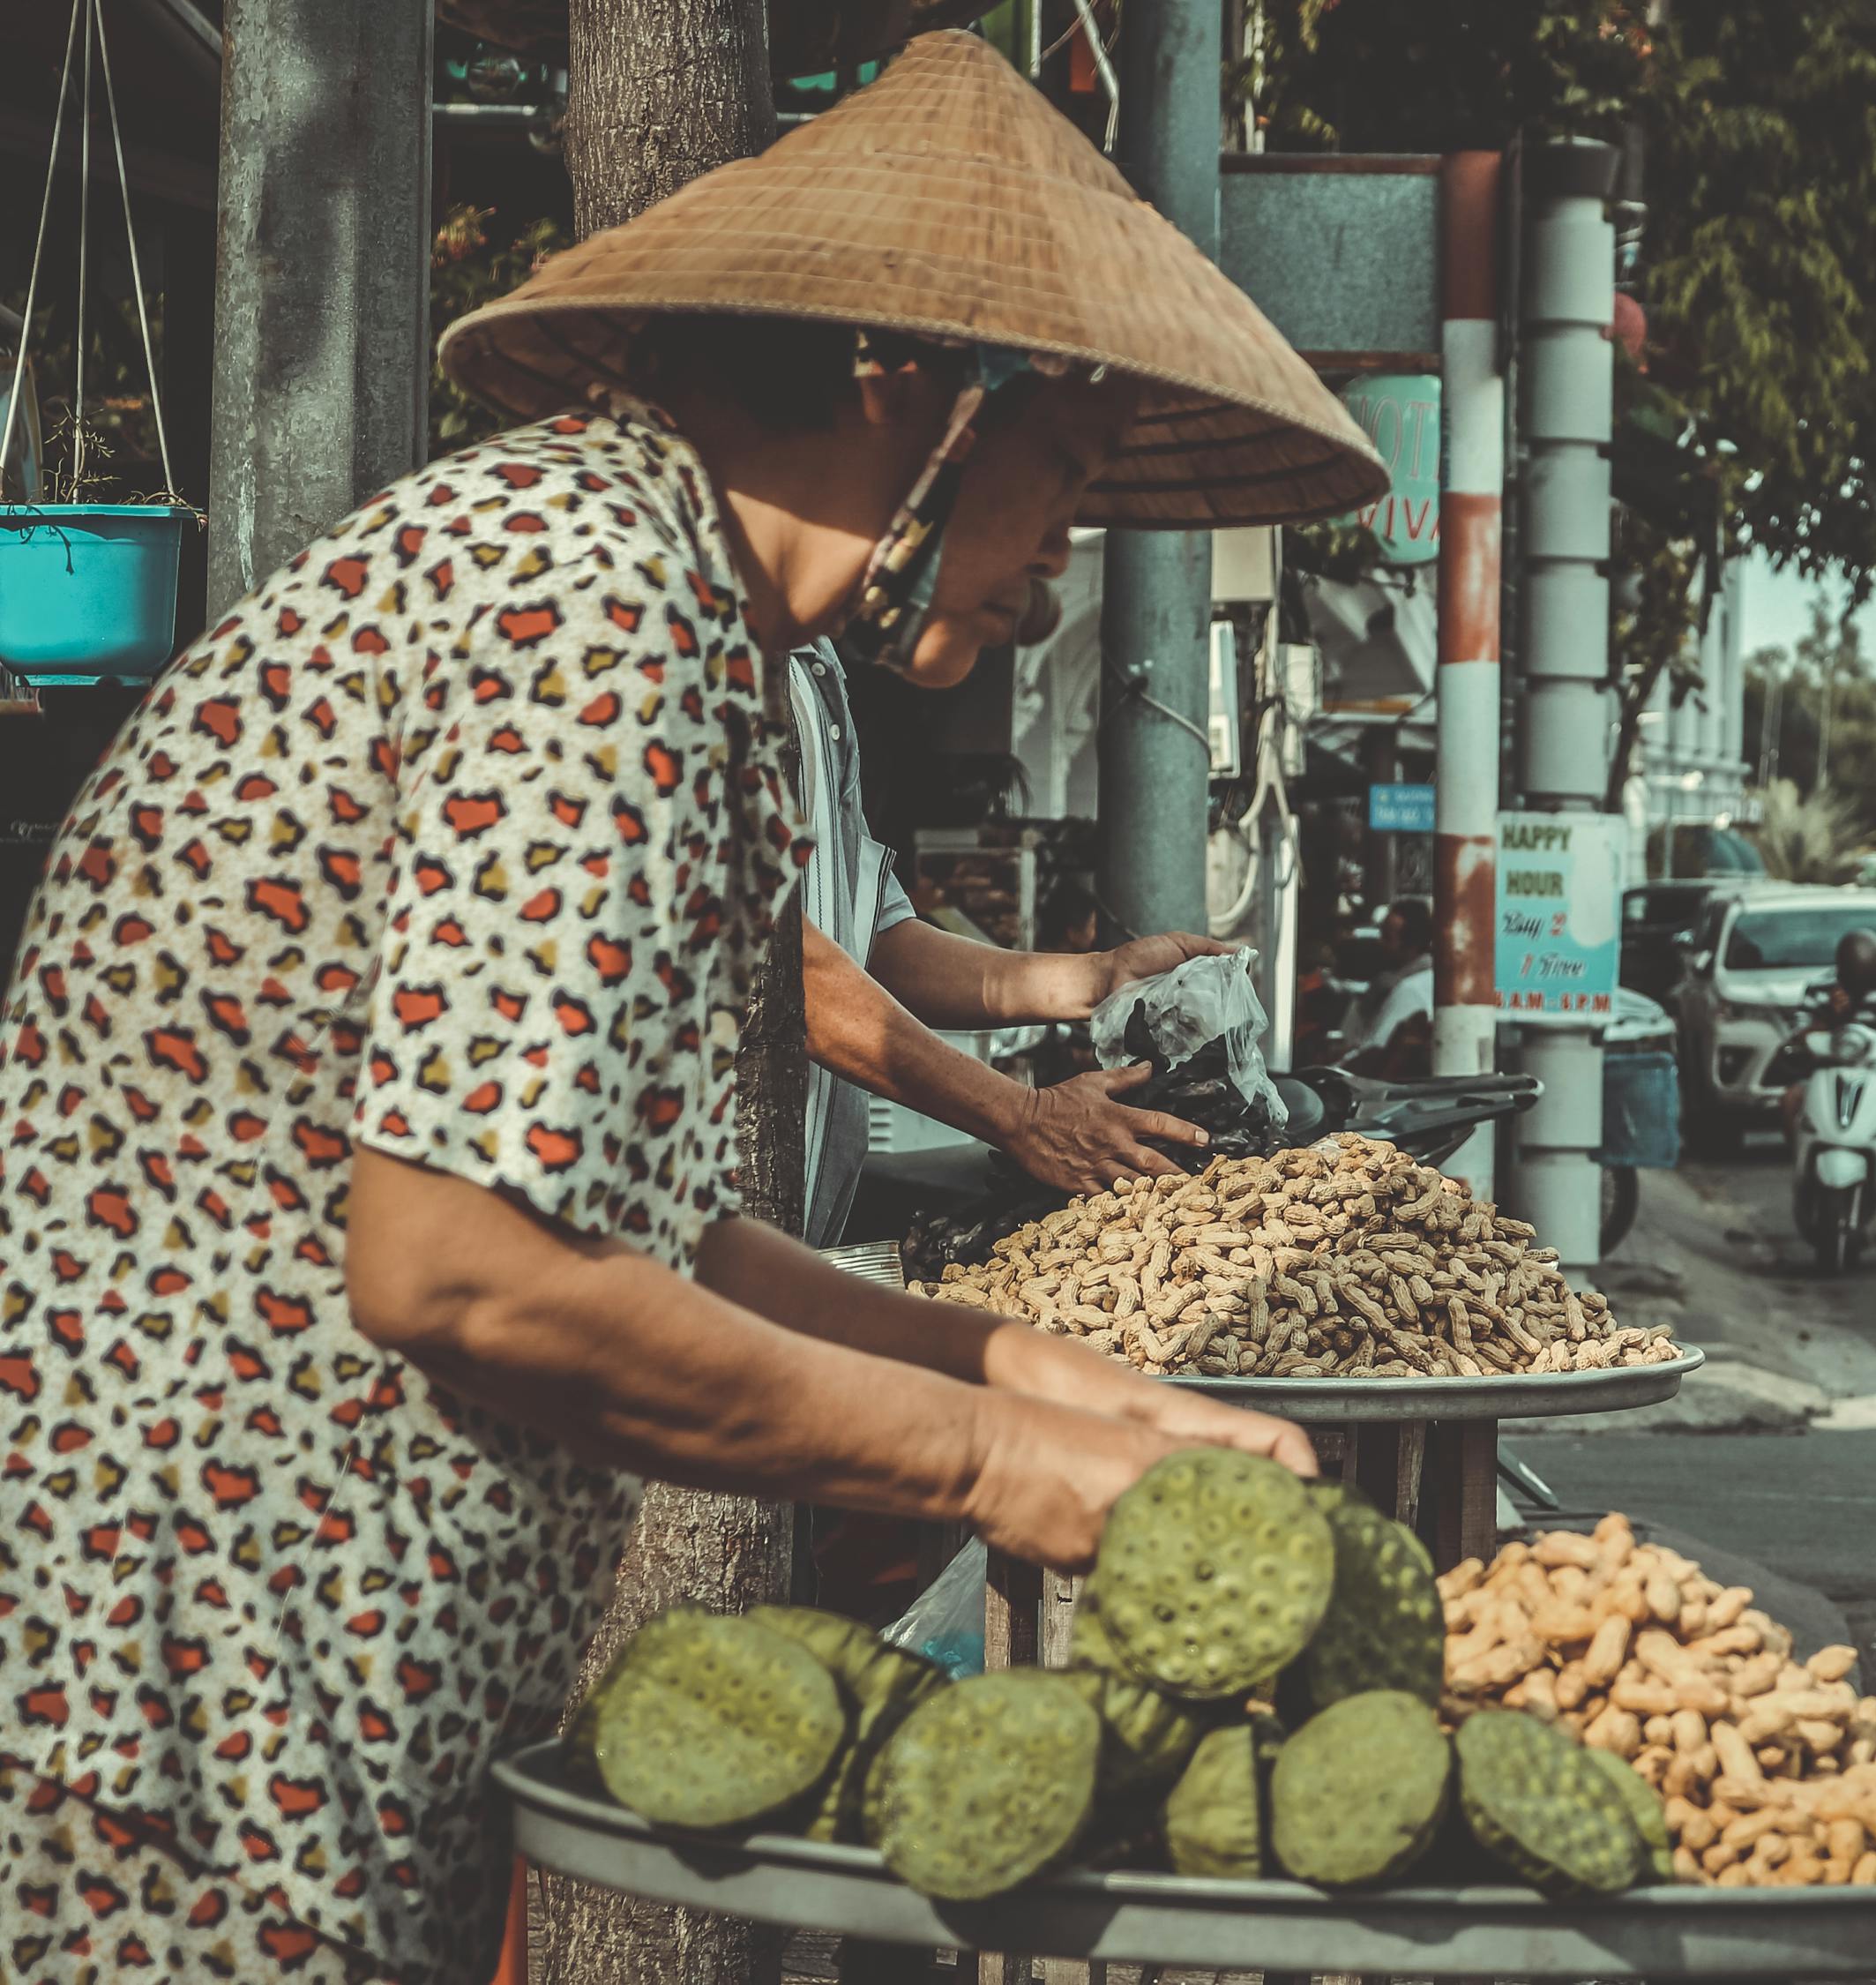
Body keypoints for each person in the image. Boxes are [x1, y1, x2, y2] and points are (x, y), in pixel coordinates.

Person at [0, 36, 1384, 1985]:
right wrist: (989, 1467)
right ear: (922, 395)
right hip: (173, 1740)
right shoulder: (597, 607)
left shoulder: (669, 610)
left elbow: (632, 1241)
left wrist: (1018, 1373)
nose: (1066, 571)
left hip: (278, 1714)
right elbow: (463, 1271)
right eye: (1066, 482)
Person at [789, 649, 1205, 1247]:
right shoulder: (680, 638)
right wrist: (1021, 1116)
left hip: (789, 1231)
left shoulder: (817, 668)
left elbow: (872, 940)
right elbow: (777, 967)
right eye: (1035, 556)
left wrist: (1097, 978)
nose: (1039, 603)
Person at [1780, 926, 1876, 1161]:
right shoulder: (1820, 987)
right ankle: (1803, 1163)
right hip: (1826, 1069)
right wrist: (1830, 1016)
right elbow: (1798, 1036)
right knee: (1791, 1101)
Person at [1354, 897, 1437, 1076]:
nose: (1380, 944)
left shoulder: (1409, 989)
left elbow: (1374, 1049)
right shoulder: (1389, 983)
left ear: (1411, 944)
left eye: (1388, 938)